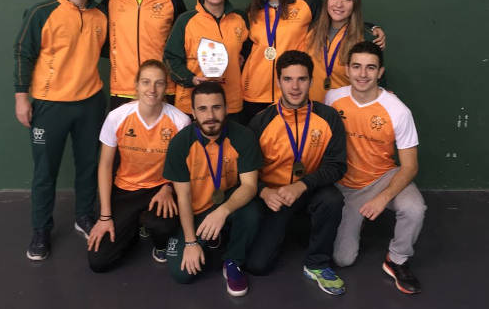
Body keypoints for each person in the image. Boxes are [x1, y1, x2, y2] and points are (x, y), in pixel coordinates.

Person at [13, 0, 107, 260]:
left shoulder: (100, 16)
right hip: (49, 107)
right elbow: (23, 53)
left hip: (90, 103)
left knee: (89, 165)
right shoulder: (42, 12)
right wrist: (21, 97)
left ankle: (84, 217)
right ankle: (41, 230)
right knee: (45, 172)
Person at [325, 41, 426, 294]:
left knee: (415, 209)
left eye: (370, 68)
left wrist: (382, 199)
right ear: (347, 69)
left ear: (380, 72)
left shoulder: (398, 110)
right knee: (343, 260)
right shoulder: (332, 99)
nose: (363, 74)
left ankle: (397, 259)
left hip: (383, 177)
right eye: (357, 66)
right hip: (345, 187)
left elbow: (410, 166)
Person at [241, 0, 385, 123]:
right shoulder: (252, 11)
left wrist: (370, 28)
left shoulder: (307, 2)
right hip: (256, 94)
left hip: (294, 93)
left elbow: (336, 14)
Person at [247, 50, 347, 296]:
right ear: (278, 81)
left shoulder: (328, 117)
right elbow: (243, 171)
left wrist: (302, 185)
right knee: (257, 267)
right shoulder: (261, 122)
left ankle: (317, 264)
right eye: (288, 79)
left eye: (301, 79)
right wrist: (263, 191)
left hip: (309, 190)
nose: (295, 87)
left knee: (332, 198)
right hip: (275, 198)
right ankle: (290, 229)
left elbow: (337, 165)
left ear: (311, 81)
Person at [87, 60, 191, 272]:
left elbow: (182, 167)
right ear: (136, 85)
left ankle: (153, 235)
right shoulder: (117, 117)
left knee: (163, 226)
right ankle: (134, 228)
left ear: (166, 87)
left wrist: (168, 188)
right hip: (126, 189)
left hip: (159, 189)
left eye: (159, 83)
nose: (152, 89)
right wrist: (105, 216)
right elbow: (105, 166)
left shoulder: (180, 121)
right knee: (98, 261)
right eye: (146, 82)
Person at [163, 82, 261, 297]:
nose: (210, 115)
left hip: (226, 204)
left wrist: (223, 211)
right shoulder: (180, 143)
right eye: (203, 108)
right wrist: (190, 242)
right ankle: (199, 241)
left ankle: (233, 261)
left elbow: (250, 186)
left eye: (216, 107)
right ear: (193, 112)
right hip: (196, 211)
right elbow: (183, 197)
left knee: (251, 211)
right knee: (181, 274)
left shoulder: (243, 136)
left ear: (226, 109)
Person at [102, 0, 186, 109]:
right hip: (123, 89)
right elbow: (100, 39)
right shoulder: (112, 0)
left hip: (162, 88)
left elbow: (184, 43)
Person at [163, 0, 250, 122]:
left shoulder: (240, 19)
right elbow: (170, 59)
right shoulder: (185, 21)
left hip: (231, 103)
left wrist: (241, 60)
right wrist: (192, 79)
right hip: (193, 104)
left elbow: (251, 55)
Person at [307, 0, 386, 102]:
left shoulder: (365, 38)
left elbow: (377, 85)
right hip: (313, 112)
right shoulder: (311, 30)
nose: (339, 4)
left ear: (355, 5)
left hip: (345, 113)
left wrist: (372, 28)